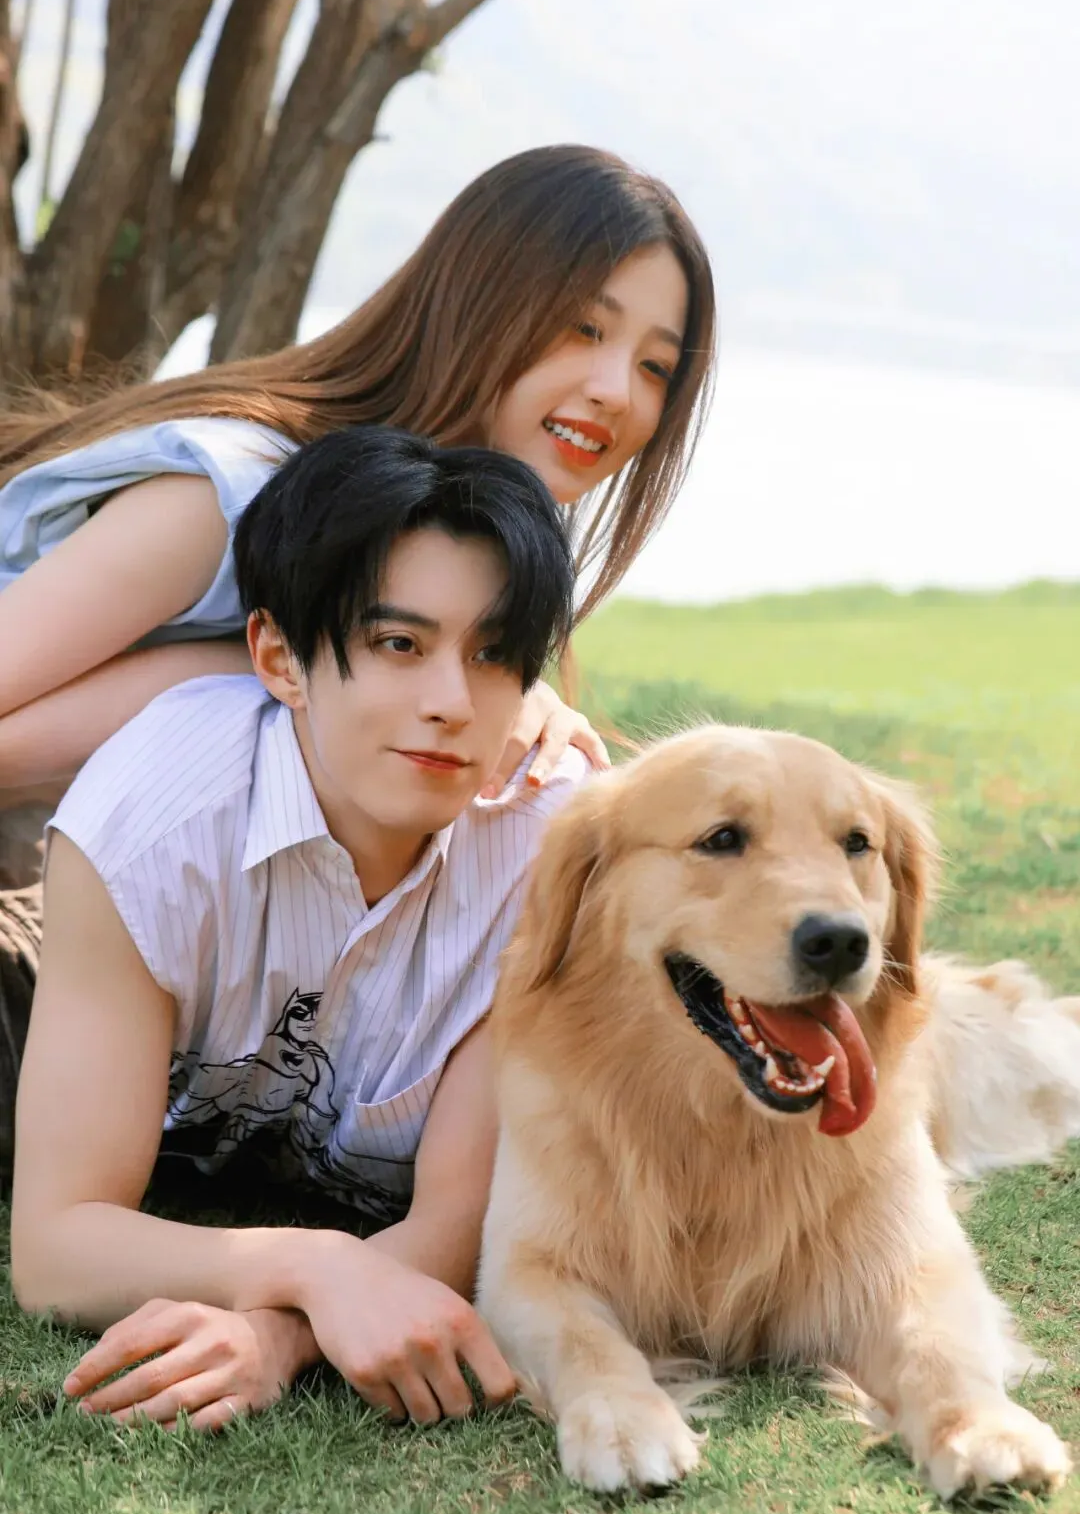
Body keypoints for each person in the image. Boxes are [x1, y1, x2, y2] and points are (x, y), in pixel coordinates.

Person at [10, 424, 583, 1432]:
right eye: (399, 645)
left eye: (494, 655)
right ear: (279, 657)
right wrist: (312, 1265)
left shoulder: (551, 858)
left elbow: (457, 1226)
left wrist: (278, 1337)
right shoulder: (151, 818)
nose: (452, 703)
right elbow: (57, 1248)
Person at [0, 144, 715, 809]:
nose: (617, 393)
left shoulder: (458, 555)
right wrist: (292, 665)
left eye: (656, 366)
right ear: (477, 303)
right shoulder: (222, 498)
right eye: (584, 328)